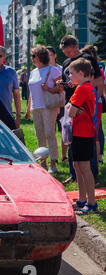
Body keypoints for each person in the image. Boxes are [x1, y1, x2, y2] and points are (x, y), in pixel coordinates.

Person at [57, 35, 103, 184]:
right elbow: (68, 82)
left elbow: (98, 80)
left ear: (76, 46)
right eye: (65, 52)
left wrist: (96, 99)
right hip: (70, 102)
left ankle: (92, 174)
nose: (67, 55)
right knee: (71, 138)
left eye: (69, 52)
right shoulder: (65, 63)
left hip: (84, 105)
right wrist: (64, 84)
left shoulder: (87, 59)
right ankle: (74, 173)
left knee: (87, 139)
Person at [24, 45, 62, 174]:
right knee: (40, 135)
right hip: (36, 107)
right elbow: (31, 93)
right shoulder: (33, 72)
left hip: (48, 106)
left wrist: (49, 89)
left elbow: (61, 87)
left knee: (49, 133)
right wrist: (28, 109)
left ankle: (53, 162)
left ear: (40, 57)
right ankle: (43, 162)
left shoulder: (53, 70)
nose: (32, 58)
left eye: (34, 56)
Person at [66, 58, 97, 214]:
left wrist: (73, 108)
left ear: (80, 73)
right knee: (77, 166)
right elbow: (72, 109)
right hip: (80, 132)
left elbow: (70, 111)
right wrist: (73, 108)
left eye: (71, 73)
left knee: (84, 168)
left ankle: (91, 202)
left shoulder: (82, 89)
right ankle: (82, 199)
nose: (69, 77)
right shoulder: (86, 86)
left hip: (83, 133)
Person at [47, 46, 68, 162]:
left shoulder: (61, 69)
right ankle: (51, 156)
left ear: (55, 56)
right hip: (48, 104)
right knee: (50, 131)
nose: (47, 57)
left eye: (49, 54)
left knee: (63, 130)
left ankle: (64, 156)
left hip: (61, 103)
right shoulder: (43, 69)